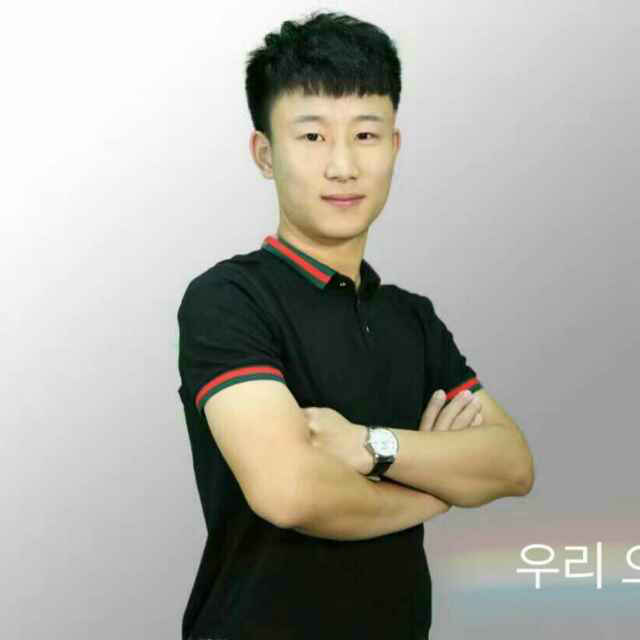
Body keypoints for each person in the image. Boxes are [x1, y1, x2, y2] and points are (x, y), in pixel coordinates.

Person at [177, 11, 534, 640]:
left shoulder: (412, 318)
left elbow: (510, 464)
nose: (343, 166)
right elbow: (290, 492)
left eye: (366, 135)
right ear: (265, 154)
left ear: (395, 146)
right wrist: (434, 491)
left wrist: (372, 446)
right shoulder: (229, 300)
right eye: (312, 137)